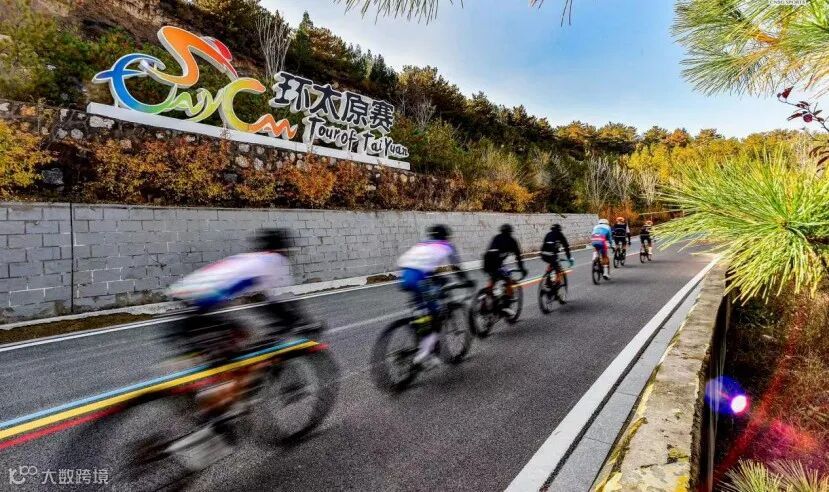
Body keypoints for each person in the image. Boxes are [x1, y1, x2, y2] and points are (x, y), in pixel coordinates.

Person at [397, 224, 469, 366]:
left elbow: (423, 265)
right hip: (418, 277)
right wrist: (466, 280)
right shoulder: (446, 245)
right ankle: (425, 353)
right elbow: (456, 266)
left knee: (423, 312)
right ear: (445, 236)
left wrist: (437, 277)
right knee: (435, 312)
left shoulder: (423, 243)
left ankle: (421, 333)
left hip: (405, 275)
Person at [483, 224, 528, 316]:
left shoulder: (496, 237)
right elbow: (518, 257)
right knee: (508, 280)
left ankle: (485, 299)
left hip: (487, 263)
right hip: (497, 264)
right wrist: (522, 269)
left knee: (493, 279)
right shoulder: (512, 241)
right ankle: (506, 307)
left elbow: (490, 253)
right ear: (510, 232)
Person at [540, 223, 574, 303]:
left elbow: (545, 246)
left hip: (543, 255)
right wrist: (569, 258)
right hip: (552, 255)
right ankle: (554, 291)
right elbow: (566, 247)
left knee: (551, 263)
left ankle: (547, 280)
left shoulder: (548, 234)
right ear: (559, 229)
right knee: (558, 270)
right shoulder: (559, 234)